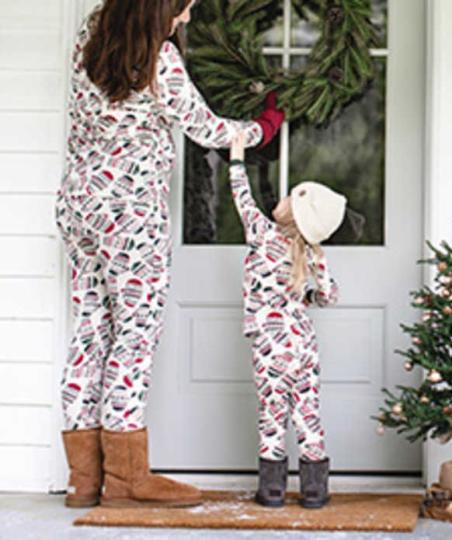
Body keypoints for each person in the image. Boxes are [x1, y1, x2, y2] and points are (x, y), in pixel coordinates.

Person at [55, 0, 285, 508]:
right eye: (183, 9)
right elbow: (208, 129)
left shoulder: (90, 42)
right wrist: (264, 127)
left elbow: (78, 127)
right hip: (131, 213)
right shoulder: (158, 61)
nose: (186, 19)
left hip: (78, 203)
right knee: (135, 333)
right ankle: (127, 478)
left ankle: (83, 481)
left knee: (91, 326)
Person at [228, 134, 343, 508]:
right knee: (307, 411)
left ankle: (273, 490)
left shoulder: (262, 235)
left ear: (293, 214)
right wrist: (307, 295)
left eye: (291, 197)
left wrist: (236, 157)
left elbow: (241, 197)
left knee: (272, 413)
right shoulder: (314, 255)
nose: (283, 198)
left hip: (270, 345)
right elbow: (329, 296)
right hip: (303, 344)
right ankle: (314, 491)